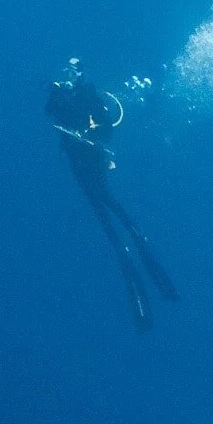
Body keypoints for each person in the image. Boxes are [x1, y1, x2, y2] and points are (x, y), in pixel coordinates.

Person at [45, 60, 178, 329]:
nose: (68, 77)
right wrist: (54, 92)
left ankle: (138, 242)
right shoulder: (64, 95)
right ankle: (127, 261)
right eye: (65, 72)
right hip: (76, 163)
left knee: (109, 203)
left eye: (72, 73)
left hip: (91, 160)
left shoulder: (89, 94)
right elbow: (49, 112)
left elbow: (108, 126)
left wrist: (89, 131)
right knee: (101, 213)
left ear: (81, 75)